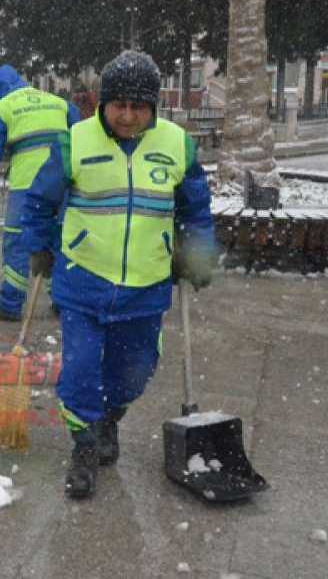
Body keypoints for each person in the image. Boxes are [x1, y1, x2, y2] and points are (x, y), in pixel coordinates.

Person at [21, 50, 215, 499]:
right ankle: (84, 446)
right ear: (103, 103)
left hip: (145, 286)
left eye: (139, 106)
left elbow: (195, 209)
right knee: (81, 370)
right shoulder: (74, 142)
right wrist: (38, 247)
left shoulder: (177, 145)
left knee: (135, 370)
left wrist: (198, 254)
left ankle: (109, 419)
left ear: (154, 107)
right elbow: (38, 201)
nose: (128, 116)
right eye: (119, 105)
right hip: (83, 280)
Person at [0, 64, 81, 321]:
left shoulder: (3, 109)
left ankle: (11, 305)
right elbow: (82, 136)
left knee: (18, 242)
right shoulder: (58, 102)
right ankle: (62, 301)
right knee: (58, 239)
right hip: (65, 181)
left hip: (29, 185)